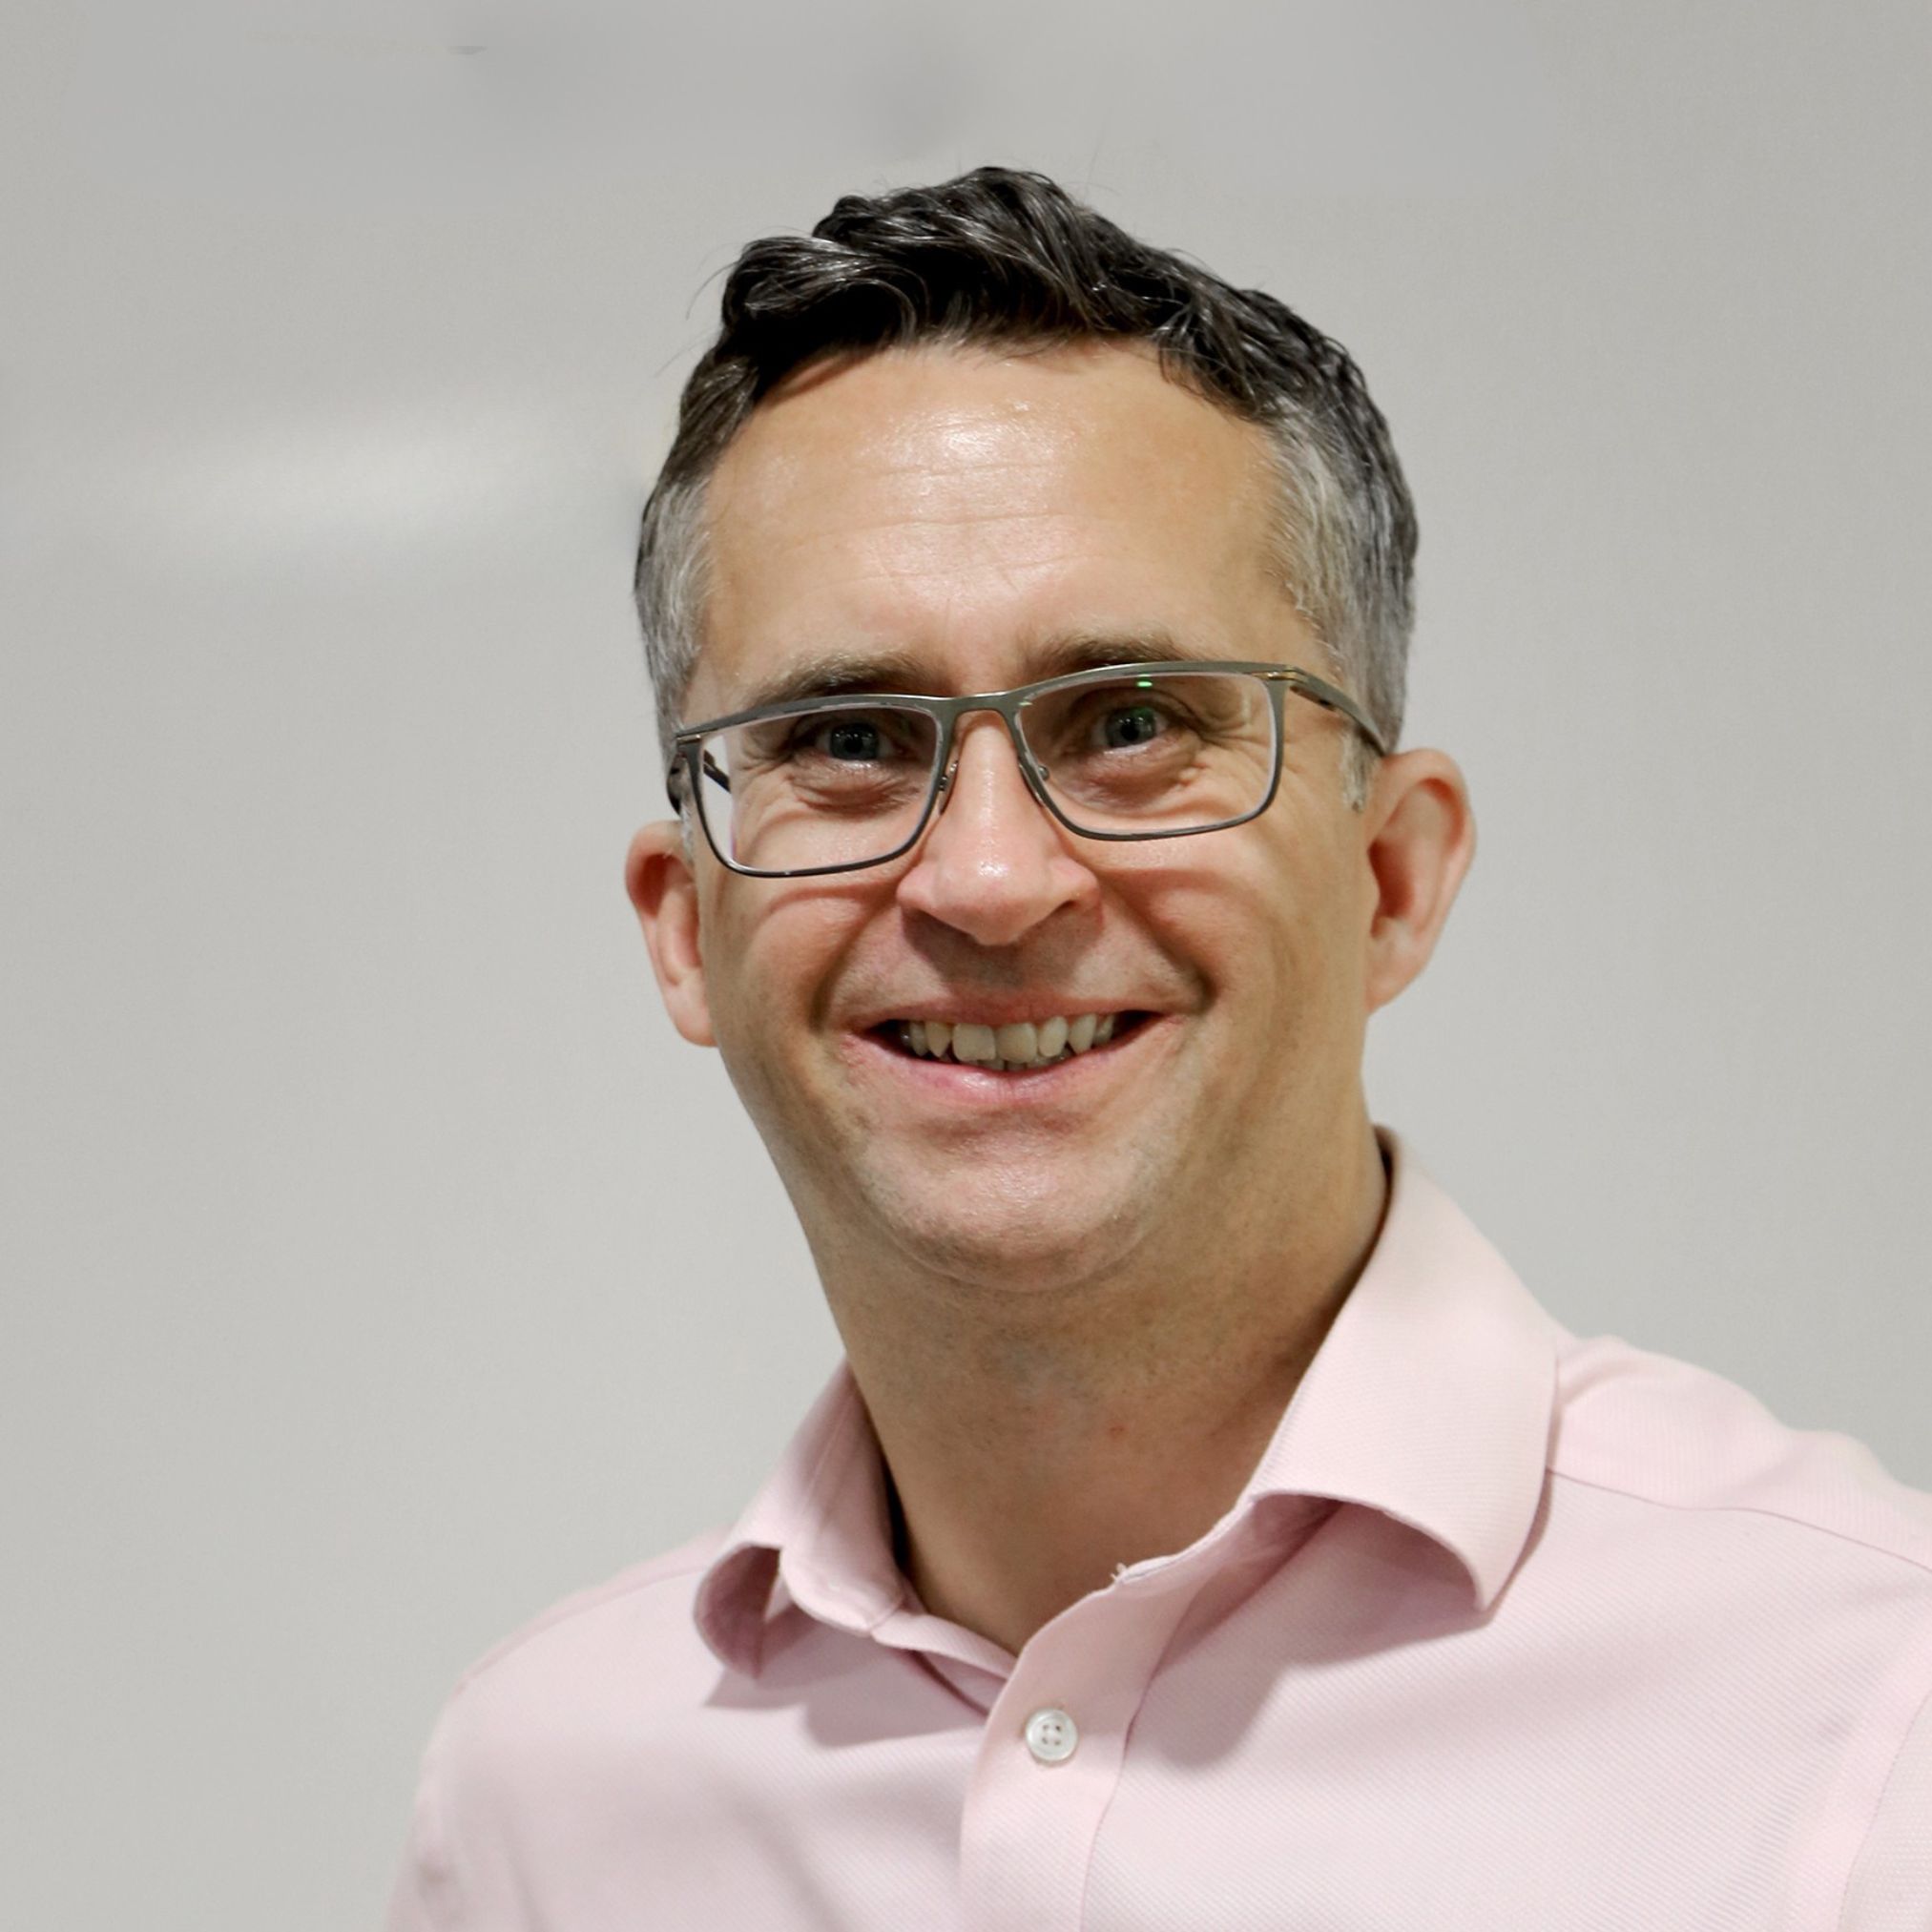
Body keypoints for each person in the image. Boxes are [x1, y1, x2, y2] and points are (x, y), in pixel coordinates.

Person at [385, 167, 1932, 1930]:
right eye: (847, 738)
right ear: (684, 925)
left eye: (1130, 722)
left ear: (1392, 874)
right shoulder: (546, 1801)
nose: (981, 875)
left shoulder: (1869, 1724)